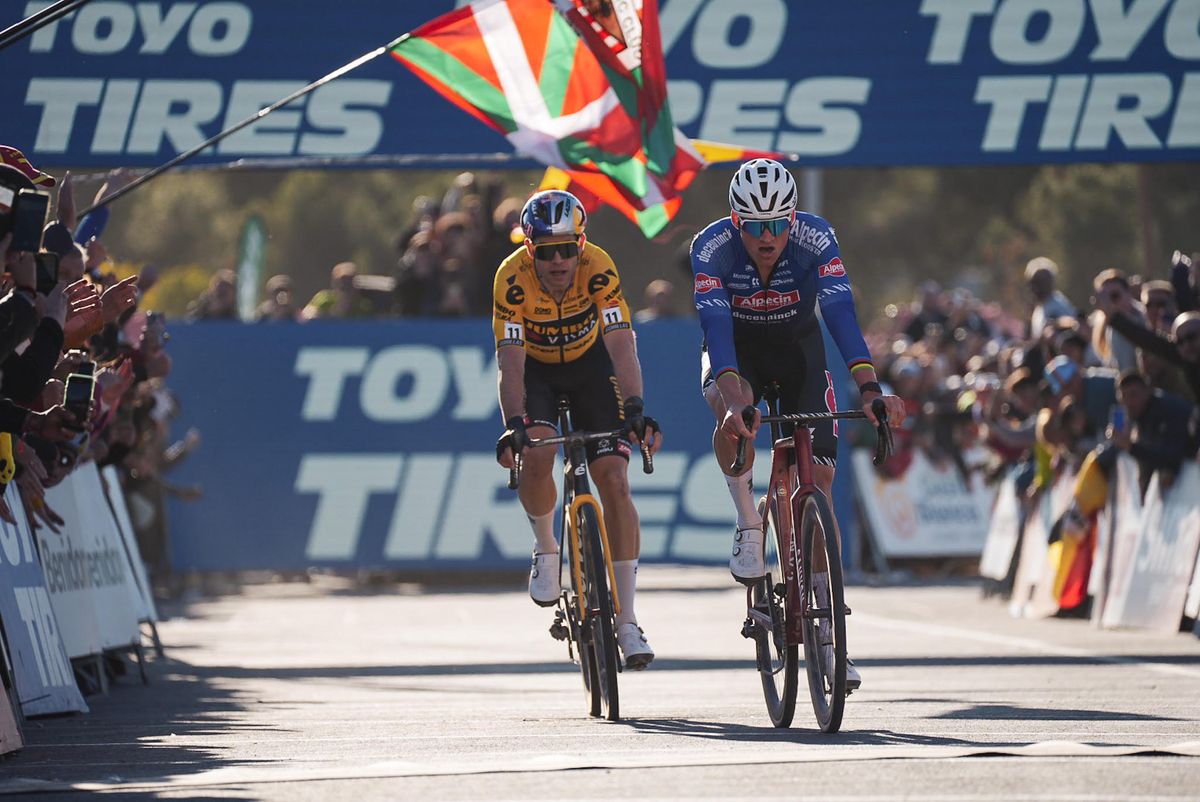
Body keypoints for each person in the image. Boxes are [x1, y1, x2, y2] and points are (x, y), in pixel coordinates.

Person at [688, 158, 905, 691]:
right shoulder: (710, 248)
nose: (768, 237)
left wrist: (871, 388)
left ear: (792, 218)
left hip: (798, 353)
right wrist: (736, 398)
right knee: (733, 418)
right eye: (756, 226)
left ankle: (829, 631)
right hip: (735, 354)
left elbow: (841, 315)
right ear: (737, 221)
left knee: (821, 486)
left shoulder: (815, 237)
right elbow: (716, 329)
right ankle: (749, 522)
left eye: (778, 224)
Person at [493, 190, 662, 670]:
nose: (559, 260)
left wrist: (634, 407)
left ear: (582, 244)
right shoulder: (511, 278)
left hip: (592, 367)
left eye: (568, 248)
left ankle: (627, 621)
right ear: (530, 250)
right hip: (537, 374)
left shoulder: (600, 267)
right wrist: (514, 424)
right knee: (539, 450)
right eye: (547, 251)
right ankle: (547, 546)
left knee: (614, 477)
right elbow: (510, 361)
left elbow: (622, 344)